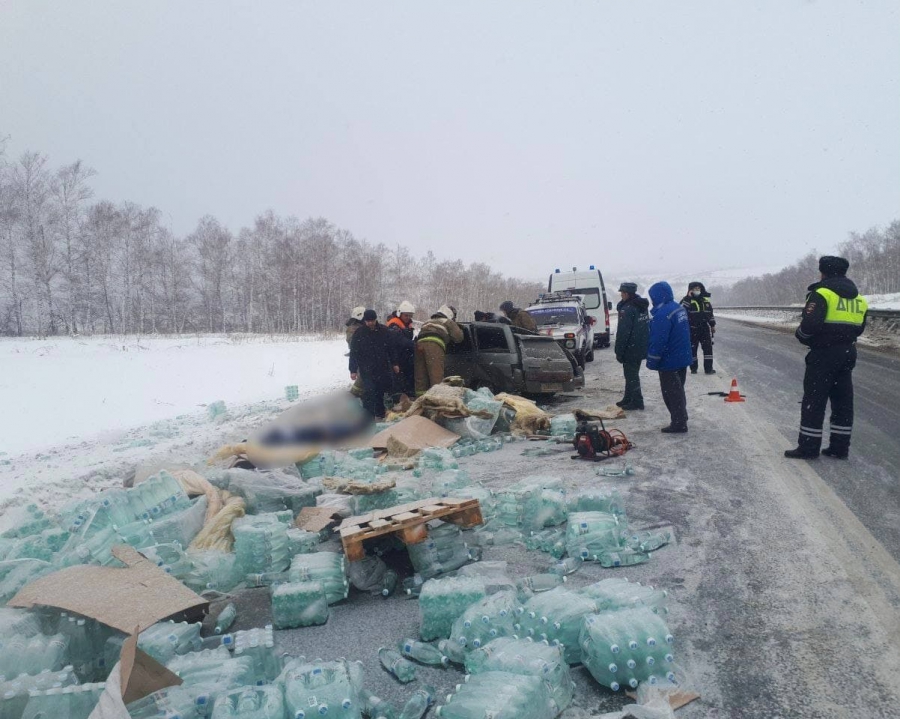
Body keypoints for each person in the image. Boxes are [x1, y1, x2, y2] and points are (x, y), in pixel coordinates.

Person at [784, 256, 868, 459]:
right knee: (842, 401)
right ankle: (839, 448)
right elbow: (859, 328)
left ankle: (808, 448)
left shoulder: (821, 293)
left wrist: (802, 337)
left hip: (823, 354)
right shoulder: (859, 299)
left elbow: (810, 325)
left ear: (823, 272)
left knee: (814, 399)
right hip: (848, 352)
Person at [646, 281, 693, 433]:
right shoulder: (678, 308)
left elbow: (659, 340)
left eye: (652, 297)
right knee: (678, 391)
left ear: (658, 296)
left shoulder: (663, 314)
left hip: (669, 361)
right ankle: (681, 418)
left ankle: (679, 422)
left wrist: (652, 360)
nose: (652, 300)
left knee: (671, 393)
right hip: (682, 357)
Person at [349, 310, 399, 419]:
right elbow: (354, 352)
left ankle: (380, 413)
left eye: (372, 321)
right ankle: (368, 416)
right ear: (365, 321)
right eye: (367, 321)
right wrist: (352, 370)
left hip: (382, 367)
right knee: (369, 391)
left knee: (380, 391)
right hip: (366, 368)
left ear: (376, 319)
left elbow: (391, 349)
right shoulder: (359, 333)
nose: (370, 323)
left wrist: (395, 364)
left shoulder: (384, 331)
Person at [614, 282, 651, 410]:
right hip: (640, 345)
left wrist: (619, 350)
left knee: (631, 375)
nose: (621, 295)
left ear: (627, 294)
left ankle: (637, 401)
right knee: (631, 373)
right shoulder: (641, 306)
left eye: (622, 293)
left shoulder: (627, 309)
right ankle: (628, 397)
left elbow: (624, 332)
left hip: (631, 347)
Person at [415, 305, 463, 395]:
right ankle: (437, 401)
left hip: (419, 345)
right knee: (436, 376)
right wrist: (458, 327)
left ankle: (421, 401)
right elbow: (459, 338)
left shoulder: (427, 321)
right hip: (434, 345)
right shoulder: (447, 321)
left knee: (421, 377)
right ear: (450, 314)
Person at [680, 282, 716, 374]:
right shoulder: (686, 300)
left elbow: (710, 314)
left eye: (698, 289)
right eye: (695, 289)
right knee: (692, 350)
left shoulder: (705, 301)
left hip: (704, 329)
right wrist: (688, 298)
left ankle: (708, 369)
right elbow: (681, 311)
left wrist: (712, 325)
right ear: (690, 290)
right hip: (692, 329)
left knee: (708, 349)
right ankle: (693, 368)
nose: (697, 290)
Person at [387, 301, 416, 399]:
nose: (408, 317)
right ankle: (396, 399)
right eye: (406, 315)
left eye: (410, 315)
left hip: (405, 356)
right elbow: (399, 340)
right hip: (396, 356)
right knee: (397, 380)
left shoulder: (407, 324)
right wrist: (414, 345)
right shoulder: (393, 325)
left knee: (407, 377)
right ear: (400, 314)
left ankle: (407, 396)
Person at [345, 306, 366, 398]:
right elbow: (354, 343)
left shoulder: (358, 327)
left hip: (361, 355)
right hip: (359, 356)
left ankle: (360, 393)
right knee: (362, 376)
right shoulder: (354, 328)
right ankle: (355, 394)